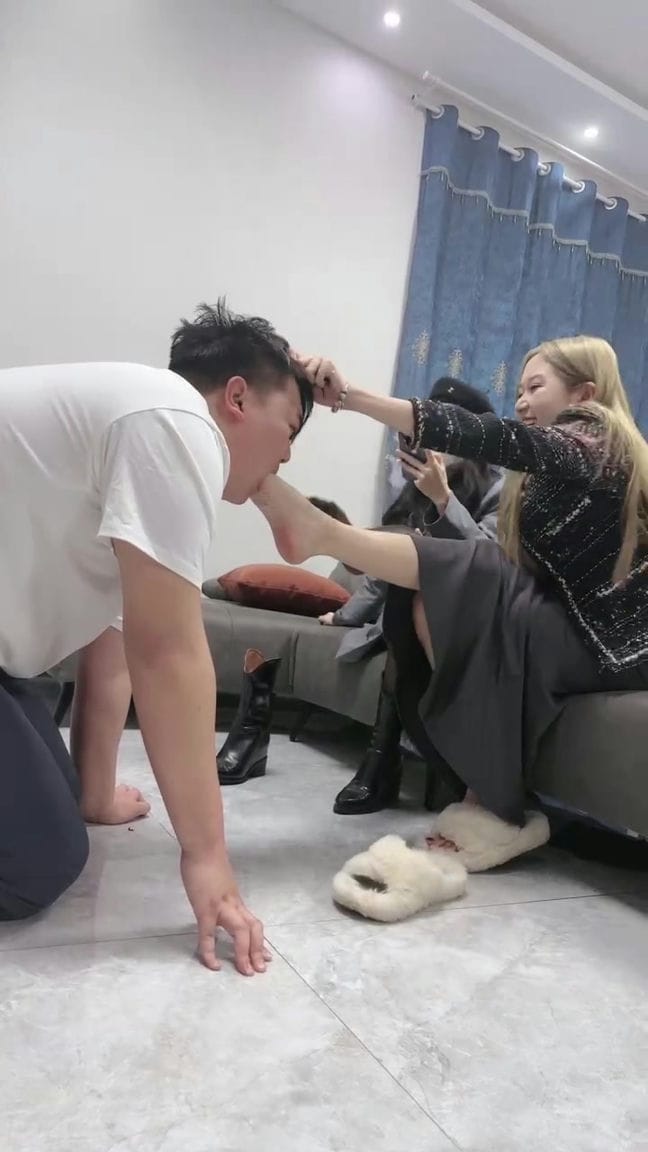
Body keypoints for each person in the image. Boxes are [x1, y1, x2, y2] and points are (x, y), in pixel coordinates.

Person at [253, 337, 648, 871]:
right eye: (518, 390)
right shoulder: (540, 478)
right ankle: (484, 788)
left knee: (476, 571)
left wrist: (350, 397)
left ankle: (324, 534)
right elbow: (509, 562)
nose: (521, 402)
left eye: (535, 387)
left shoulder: (599, 442)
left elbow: (487, 436)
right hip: (567, 623)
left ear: (585, 394)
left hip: (616, 646)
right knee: (432, 596)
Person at [0, 300, 312, 974]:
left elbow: (115, 653)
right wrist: (208, 859)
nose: (287, 454)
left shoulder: (138, 442)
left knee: (60, 813)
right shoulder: (174, 419)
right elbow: (166, 652)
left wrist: (95, 795)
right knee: (36, 864)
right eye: (289, 429)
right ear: (236, 398)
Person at [320, 378, 503, 816]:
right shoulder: (413, 487)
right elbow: (389, 563)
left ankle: (388, 762)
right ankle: (384, 760)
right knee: (404, 588)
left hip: (468, 617)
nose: (426, 444)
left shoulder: (501, 488)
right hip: (413, 613)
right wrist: (345, 615)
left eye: (440, 432)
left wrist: (444, 500)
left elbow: (489, 561)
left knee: (412, 586)